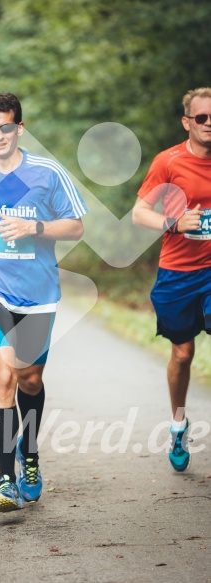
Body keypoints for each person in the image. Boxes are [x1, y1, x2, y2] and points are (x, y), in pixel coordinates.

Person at [0, 92, 87, 513]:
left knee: (29, 379)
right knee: (4, 374)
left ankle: (30, 453)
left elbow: (76, 227)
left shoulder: (46, 173)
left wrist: (34, 226)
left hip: (38, 292)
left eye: (7, 126)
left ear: (19, 128)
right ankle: (5, 478)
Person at [133, 87, 211, 473]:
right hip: (178, 272)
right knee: (183, 354)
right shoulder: (169, 161)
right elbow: (139, 213)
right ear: (188, 122)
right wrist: (174, 222)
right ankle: (178, 425)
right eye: (202, 118)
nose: (209, 123)